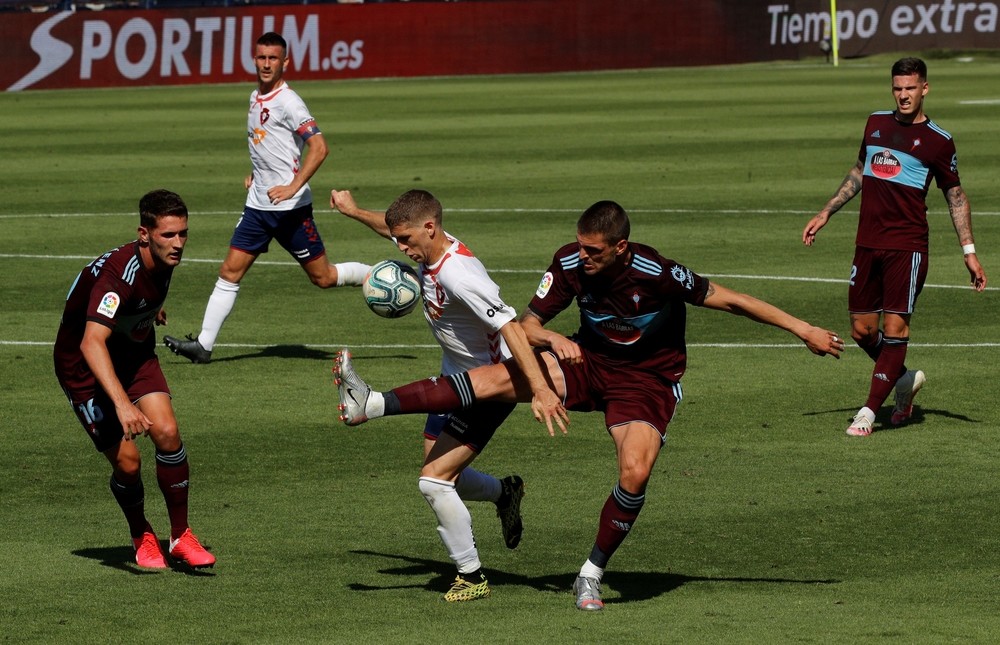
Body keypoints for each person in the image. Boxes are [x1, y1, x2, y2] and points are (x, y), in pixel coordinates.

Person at [334, 200, 843, 610]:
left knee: (634, 473)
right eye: (580, 247)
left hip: (647, 382)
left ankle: (590, 573)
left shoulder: (657, 272)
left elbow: (730, 300)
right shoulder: (569, 263)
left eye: (594, 251)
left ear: (620, 248)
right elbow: (527, 324)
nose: (583, 257)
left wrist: (803, 329)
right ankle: (371, 403)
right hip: (589, 361)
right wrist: (553, 340)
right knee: (491, 379)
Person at [331, 188, 563, 602]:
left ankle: (472, 576)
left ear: (430, 227)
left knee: (434, 483)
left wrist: (541, 389)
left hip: (487, 386)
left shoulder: (460, 274)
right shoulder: (426, 242)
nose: (400, 248)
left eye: (405, 240)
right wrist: (351, 212)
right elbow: (390, 226)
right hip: (453, 374)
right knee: (441, 473)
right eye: (397, 239)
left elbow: (510, 326)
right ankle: (504, 492)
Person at [802, 57, 987, 437]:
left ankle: (869, 411)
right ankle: (903, 381)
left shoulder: (938, 140)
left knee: (895, 327)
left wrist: (968, 250)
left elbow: (956, 196)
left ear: (925, 89)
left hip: (907, 246)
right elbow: (859, 170)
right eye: (897, 88)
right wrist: (827, 212)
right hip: (867, 243)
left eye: (910, 88)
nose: (903, 95)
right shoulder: (875, 123)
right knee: (862, 331)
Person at [164, 32, 369, 364]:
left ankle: (378, 275)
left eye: (273, 58)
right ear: (254, 59)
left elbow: (319, 147)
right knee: (230, 271)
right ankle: (203, 346)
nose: (266, 64)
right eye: (261, 57)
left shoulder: (290, 102)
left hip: (290, 211)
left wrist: (292, 186)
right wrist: (257, 175)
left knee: (324, 278)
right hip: (258, 208)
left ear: (285, 62)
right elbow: (267, 145)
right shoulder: (254, 97)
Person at [54, 189, 215, 569]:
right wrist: (123, 405)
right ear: (144, 234)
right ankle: (141, 531)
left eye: (183, 234)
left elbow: (140, 294)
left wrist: (150, 309)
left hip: (134, 354)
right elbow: (91, 343)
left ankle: (179, 537)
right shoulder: (119, 277)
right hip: (84, 367)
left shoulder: (162, 260)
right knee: (128, 465)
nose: (178, 244)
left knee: (168, 433)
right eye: (168, 236)